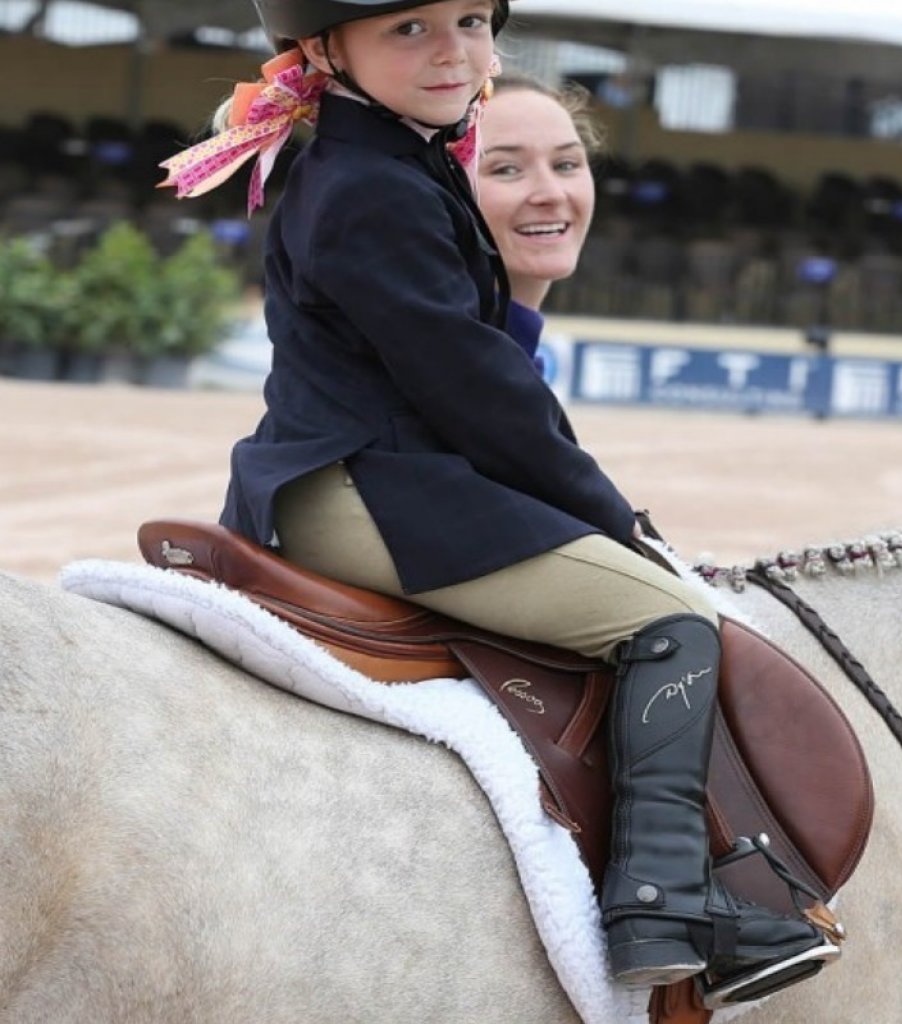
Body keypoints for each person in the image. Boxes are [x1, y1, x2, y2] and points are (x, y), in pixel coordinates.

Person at [161, 0, 834, 1002]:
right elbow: (476, 387)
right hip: (371, 489)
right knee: (670, 615)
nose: (453, 51)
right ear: (326, 49)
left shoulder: (394, 162)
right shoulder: (370, 186)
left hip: (383, 475)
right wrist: (615, 519)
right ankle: (659, 896)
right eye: (410, 29)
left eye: (471, 21)